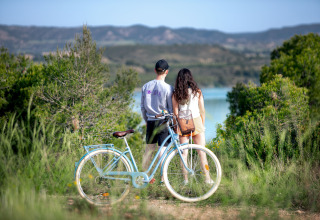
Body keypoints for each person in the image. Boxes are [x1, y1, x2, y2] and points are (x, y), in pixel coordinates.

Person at [172, 68, 213, 184]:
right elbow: (202, 110)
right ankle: (207, 179)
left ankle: (185, 180)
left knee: (184, 153)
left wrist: (176, 126)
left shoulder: (176, 93)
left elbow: (175, 112)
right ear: (191, 78)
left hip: (183, 122)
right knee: (202, 153)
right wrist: (202, 125)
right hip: (196, 122)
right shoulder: (197, 92)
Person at [141, 59, 173, 172]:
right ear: (167, 72)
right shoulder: (168, 88)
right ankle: (163, 178)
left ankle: (143, 175)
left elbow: (142, 107)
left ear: (155, 70)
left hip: (150, 121)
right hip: (163, 122)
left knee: (148, 150)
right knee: (162, 150)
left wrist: (146, 119)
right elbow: (170, 108)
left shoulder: (145, 86)